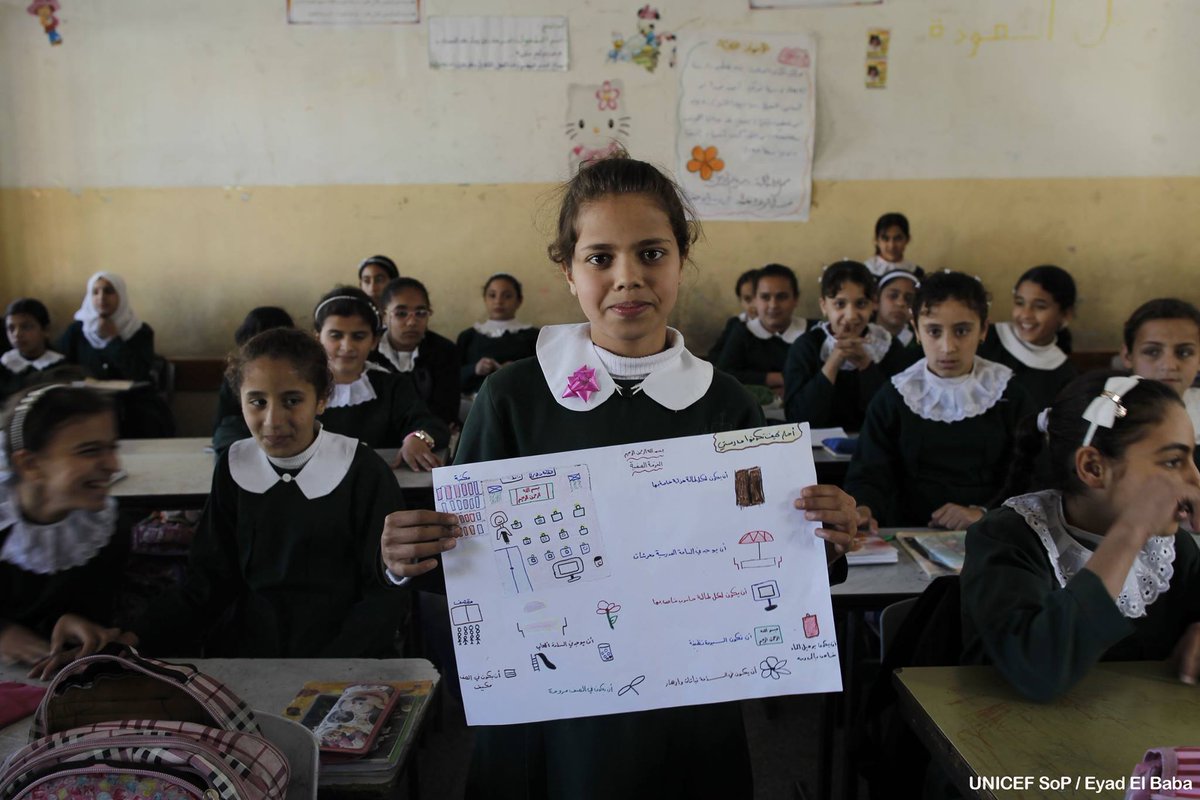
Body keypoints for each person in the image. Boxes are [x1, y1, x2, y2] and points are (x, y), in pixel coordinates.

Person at [382, 154, 857, 800]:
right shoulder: (514, 399)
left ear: (681, 261)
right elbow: (473, 568)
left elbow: (761, 558)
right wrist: (409, 556)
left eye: (652, 254)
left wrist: (822, 539)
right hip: (551, 712)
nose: (628, 278)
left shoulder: (725, 404)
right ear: (568, 271)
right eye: (600, 257)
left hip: (687, 707)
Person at [126, 328, 410, 658]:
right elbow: (208, 582)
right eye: (257, 402)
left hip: (346, 655)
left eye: (292, 400)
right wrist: (137, 636)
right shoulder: (234, 466)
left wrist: (337, 665)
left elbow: (383, 592)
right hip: (252, 653)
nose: (273, 421)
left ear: (321, 399)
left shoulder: (362, 470)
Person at [961, 372, 1200, 701]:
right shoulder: (1008, 538)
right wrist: (1130, 531)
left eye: (1192, 458)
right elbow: (1041, 671)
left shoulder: (1172, 550)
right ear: (1093, 467)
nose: (1194, 479)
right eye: (1173, 462)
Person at [846, 270, 1035, 529]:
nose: (948, 347)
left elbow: (1033, 477)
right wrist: (864, 508)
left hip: (994, 533)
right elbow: (869, 473)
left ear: (983, 330)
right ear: (917, 330)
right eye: (934, 331)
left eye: (962, 331)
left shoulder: (1009, 395)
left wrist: (983, 513)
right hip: (907, 532)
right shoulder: (895, 396)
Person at [0, 384, 126, 680]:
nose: (113, 465)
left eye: (112, 447)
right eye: (89, 451)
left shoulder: (103, 530)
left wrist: (77, 625)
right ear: (30, 464)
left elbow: (94, 612)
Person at [313, 287, 448, 471]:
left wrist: (417, 438)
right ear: (318, 337)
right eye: (336, 335)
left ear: (374, 340)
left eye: (358, 336)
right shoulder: (304, 388)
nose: (347, 345)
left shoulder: (392, 385)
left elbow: (431, 424)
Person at [783, 261, 909, 431]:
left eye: (861, 304)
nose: (850, 316)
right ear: (824, 306)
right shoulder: (806, 347)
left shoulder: (888, 346)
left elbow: (894, 415)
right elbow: (799, 418)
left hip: (874, 449)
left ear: (873, 304)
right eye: (840, 304)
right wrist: (834, 361)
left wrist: (865, 364)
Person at [56, 272, 173, 438]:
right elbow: (62, 370)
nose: (101, 297)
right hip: (86, 407)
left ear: (121, 295)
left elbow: (139, 373)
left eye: (108, 291)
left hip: (132, 409)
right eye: (95, 292)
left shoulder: (139, 331)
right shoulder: (76, 331)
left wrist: (113, 340)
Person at [978, 265, 1078, 410]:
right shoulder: (984, 338)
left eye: (1040, 306)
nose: (1025, 314)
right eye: (1019, 303)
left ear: (1065, 314)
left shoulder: (1064, 374)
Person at [1120, 298, 1200, 468]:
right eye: (1152, 351)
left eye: (1184, 352)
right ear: (1128, 356)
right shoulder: (1107, 413)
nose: (1169, 365)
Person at [372, 278, 460, 429]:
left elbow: (446, 410)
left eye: (420, 313)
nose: (412, 322)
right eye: (401, 313)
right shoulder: (369, 351)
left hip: (430, 435)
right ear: (384, 316)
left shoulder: (444, 350)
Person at [212, 306, 295, 455]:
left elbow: (219, 423)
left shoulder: (301, 372)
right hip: (241, 437)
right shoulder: (237, 374)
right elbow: (222, 426)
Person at [716, 263, 809, 395]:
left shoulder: (810, 332)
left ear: (796, 299)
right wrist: (778, 379)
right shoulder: (743, 331)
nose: (773, 305)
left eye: (781, 297)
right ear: (754, 300)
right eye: (765, 297)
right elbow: (724, 374)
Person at [456, 273, 538, 394]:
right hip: (475, 405)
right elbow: (452, 377)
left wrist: (517, 370)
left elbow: (543, 376)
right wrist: (475, 369)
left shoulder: (534, 336)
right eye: (492, 295)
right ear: (485, 299)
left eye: (507, 296)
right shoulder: (468, 336)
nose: (498, 301)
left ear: (519, 301)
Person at [2, 299, 66, 400]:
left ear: (46, 330)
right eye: (11, 328)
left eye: (26, 327)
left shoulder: (62, 367)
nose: (17, 334)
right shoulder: (5, 365)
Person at [705, 268, 759, 362]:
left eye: (760, 297)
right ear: (740, 301)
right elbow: (714, 357)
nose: (754, 305)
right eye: (747, 299)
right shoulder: (735, 323)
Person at [864, 212, 921, 278]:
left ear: (907, 239)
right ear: (876, 240)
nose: (892, 246)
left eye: (898, 239)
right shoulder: (865, 272)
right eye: (885, 239)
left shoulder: (916, 273)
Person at [874, 269, 919, 348]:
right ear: (876, 300)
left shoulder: (919, 345)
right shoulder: (860, 337)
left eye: (909, 299)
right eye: (893, 296)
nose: (901, 303)